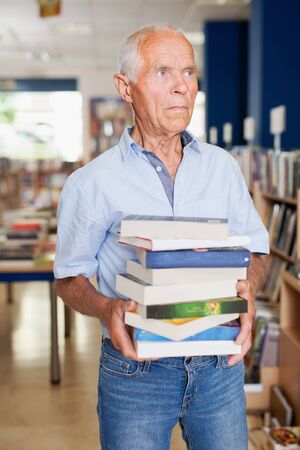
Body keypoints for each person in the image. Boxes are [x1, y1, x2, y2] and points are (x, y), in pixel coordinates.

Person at [54, 24, 269, 450]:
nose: (181, 88)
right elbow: (68, 279)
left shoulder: (222, 167)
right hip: (136, 371)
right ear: (126, 87)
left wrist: (250, 290)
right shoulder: (90, 183)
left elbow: (256, 249)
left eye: (189, 73)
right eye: (163, 73)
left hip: (219, 365)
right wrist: (105, 307)